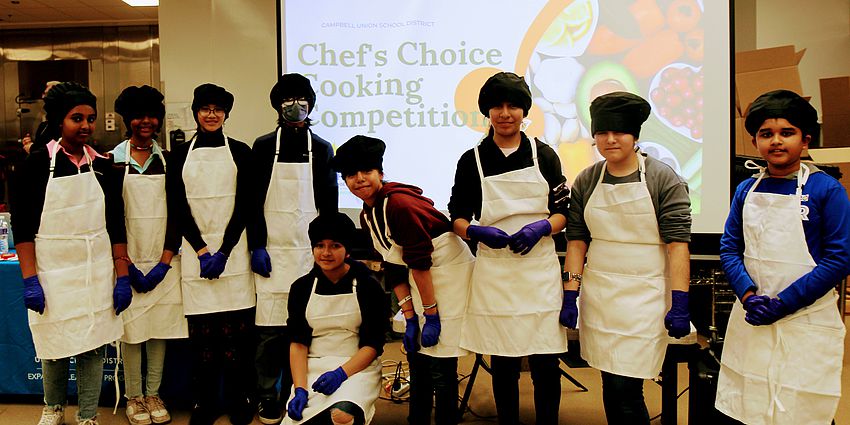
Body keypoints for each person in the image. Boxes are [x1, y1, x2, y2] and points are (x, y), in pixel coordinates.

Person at [716, 90, 850, 425]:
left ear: (804, 140)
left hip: (805, 318)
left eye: (786, 133)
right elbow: (730, 247)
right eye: (766, 134)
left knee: (802, 405)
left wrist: (785, 303)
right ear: (754, 141)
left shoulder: (827, 190)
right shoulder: (746, 189)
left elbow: (839, 258)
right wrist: (748, 295)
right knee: (753, 401)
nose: (776, 141)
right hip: (753, 315)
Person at [561, 91, 692, 425]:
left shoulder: (663, 178)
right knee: (609, 379)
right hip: (602, 296)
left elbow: (677, 244)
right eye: (602, 133)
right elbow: (577, 240)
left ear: (635, 136)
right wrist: (570, 294)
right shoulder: (588, 180)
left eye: (618, 132)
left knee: (627, 385)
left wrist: (680, 302)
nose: (610, 139)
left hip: (644, 299)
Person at [448, 71, 568, 425]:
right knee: (503, 360)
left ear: (524, 111)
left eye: (513, 105)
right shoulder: (472, 159)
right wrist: (478, 232)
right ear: (487, 112)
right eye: (497, 106)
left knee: (547, 360)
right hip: (495, 271)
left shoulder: (544, 155)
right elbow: (456, 216)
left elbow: (564, 212)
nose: (505, 113)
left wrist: (543, 226)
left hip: (539, 270)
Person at [334, 135, 474, 425]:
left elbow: (420, 262)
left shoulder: (400, 206)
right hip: (420, 276)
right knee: (417, 356)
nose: (359, 180)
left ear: (380, 174)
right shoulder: (367, 213)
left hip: (448, 274)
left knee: (441, 359)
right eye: (351, 175)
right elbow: (394, 266)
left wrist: (431, 315)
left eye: (366, 172)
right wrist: (410, 316)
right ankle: (418, 419)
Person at [12, 82, 130, 425]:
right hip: (53, 273)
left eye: (91, 118)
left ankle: (88, 414)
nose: (86, 126)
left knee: (93, 345)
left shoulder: (104, 167)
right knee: (55, 344)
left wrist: (121, 275)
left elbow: (116, 225)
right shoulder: (36, 166)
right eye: (76, 118)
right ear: (59, 121)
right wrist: (30, 280)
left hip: (95, 272)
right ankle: (53, 407)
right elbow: (23, 230)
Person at [250, 73, 338, 425]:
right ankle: (268, 395)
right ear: (277, 106)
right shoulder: (262, 146)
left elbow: (328, 207)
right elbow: (253, 202)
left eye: (302, 100)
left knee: (307, 328)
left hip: (308, 254)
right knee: (270, 333)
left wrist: (328, 253)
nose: (295, 106)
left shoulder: (322, 148)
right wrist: (257, 245)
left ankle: (303, 390)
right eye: (287, 100)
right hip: (272, 252)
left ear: (311, 105)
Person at [166, 83, 256, 425]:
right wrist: (203, 251)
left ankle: (237, 400)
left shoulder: (242, 151)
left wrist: (225, 250)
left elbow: (245, 206)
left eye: (218, 109)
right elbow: (178, 207)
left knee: (237, 339)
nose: (212, 114)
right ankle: (204, 402)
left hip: (234, 254)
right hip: (195, 254)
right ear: (195, 112)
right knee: (203, 341)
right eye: (205, 108)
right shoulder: (178, 156)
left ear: (226, 114)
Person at [111, 85, 188, 425]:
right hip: (126, 260)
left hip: (163, 261)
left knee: (159, 328)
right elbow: (111, 216)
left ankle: (154, 392)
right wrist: (123, 265)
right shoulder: (112, 161)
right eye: (138, 116)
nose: (146, 121)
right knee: (131, 331)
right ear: (128, 120)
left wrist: (164, 261)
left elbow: (178, 213)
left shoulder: (169, 160)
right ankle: (134, 397)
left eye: (151, 116)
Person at [284, 212, 388, 425]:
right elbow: (298, 343)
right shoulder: (301, 288)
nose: (326, 253)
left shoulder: (368, 286)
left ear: (347, 250)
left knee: (341, 416)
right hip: (313, 368)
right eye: (320, 245)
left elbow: (373, 344)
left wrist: (340, 374)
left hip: (356, 366)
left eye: (335, 246)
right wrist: (300, 389)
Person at [22, 80, 61, 154]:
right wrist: (30, 144)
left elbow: (55, 149)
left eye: (46, 94)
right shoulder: (43, 126)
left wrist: (31, 148)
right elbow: (41, 146)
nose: (43, 97)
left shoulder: (62, 123)